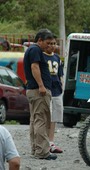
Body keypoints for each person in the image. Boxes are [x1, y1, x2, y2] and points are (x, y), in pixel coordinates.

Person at [23, 28, 57, 160]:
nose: (49, 46)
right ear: (40, 40)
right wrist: (42, 86)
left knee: (35, 120)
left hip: (33, 90)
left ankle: (36, 149)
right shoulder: (36, 50)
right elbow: (34, 67)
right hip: (38, 91)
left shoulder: (32, 50)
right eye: (47, 43)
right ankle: (43, 151)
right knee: (41, 120)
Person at [43, 37, 63, 154]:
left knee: (55, 116)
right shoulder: (42, 56)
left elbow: (60, 74)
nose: (52, 46)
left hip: (56, 89)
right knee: (46, 115)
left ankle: (51, 142)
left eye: (54, 44)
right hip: (46, 88)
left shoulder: (57, 58)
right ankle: (44, 141)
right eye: (50, 43)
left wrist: (61, 85)